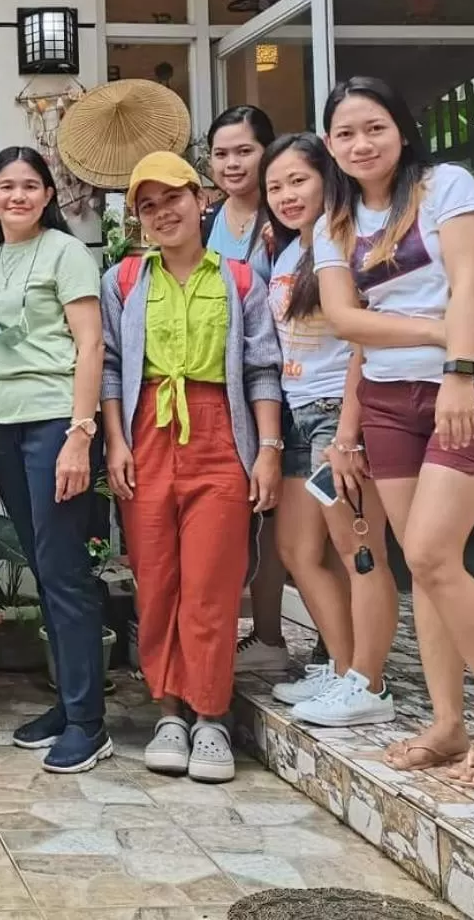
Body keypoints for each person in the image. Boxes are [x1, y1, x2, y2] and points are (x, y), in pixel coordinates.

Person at [312, 77, 474, 788]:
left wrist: (460, 368)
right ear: (330, 146)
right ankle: (447, 723)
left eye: (374, 127)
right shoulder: (333, 224)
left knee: (436, 555)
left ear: (402, 130)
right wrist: (439, 331)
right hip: (385, 397)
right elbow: (346, 320)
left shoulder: (445, 187)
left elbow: (469, 282)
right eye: (345, 133)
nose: (361, 144)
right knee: (424, 564)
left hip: (469, 387)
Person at [102, 151, 283, 785]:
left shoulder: (238, 280)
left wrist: (267, 448)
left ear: (198, 199)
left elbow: (262, 368)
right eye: (147, 206)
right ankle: (168, 712)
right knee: (155, 583)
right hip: (147, 432)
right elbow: (110, 368)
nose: (162, 213)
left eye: (171, 198)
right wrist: (115, 444)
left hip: (219, 433)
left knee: (211, 582)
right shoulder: (124, 281)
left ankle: (210, 717)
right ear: (138, 219)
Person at [0, 147, 108, 775]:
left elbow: (90, 343)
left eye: (31, 186)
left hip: (55, 419)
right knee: (40, 563)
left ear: (48, 195)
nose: (18, 196)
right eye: (6, 186)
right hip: (1, 424)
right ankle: (68, 700)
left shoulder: (67, 252)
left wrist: (81, 433)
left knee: (63, 571)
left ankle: (88, 721)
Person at [260, 134, 400, 727]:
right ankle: (345, 666)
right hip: (298, 416)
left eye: (298, 181)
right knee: (296, 549)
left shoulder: (349, 241)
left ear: (327, 177)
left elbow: (366, 341)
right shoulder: (292, 248)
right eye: (276, 187)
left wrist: (349, 431)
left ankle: (370, 681)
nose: (287, 195)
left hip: (337, 416)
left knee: (360, 550)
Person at [204, 106, 288, 677]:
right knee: (256, 518)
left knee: (296, 521)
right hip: (229, 386)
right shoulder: (209, 216)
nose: (232, 163)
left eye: (244, 151)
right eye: (221, 153)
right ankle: (267, 636)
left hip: (289, 380)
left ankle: (338, 645)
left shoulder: (287, 213)